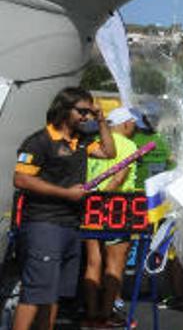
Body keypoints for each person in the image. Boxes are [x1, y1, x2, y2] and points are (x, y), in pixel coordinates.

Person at [12, 87, 116, 330]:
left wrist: (101, 120)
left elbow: (109, 152)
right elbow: (21, 180)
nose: (86, 117)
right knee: (35, 293)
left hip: (70, 224)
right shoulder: (39, 141)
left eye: (90, 112)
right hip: (43, 224)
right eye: (82, 111)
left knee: (53, 294)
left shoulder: (81, 140)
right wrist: (66, 193)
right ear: (64, 109)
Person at [81, 108, 142, 328]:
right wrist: (106, 199)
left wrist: (96, 200)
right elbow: (118, 178)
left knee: (92, 261)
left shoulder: (98, 142)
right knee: (114, 262)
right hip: (116, 207)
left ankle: (91, 314)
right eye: (134, 124)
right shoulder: (127, 145)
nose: (135, 129)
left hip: (90, 206)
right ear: (126, 124)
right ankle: (105, 315)